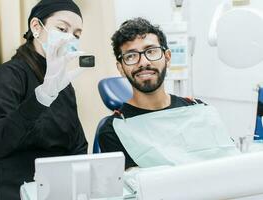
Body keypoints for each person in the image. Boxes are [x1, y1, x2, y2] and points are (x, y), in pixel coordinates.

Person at [98, 17, 239, 170]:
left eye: (151, 51)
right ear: (121, 68)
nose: (143, 62)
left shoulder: (198, 110)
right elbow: (135, 187)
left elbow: (231, 163)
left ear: (167, 58)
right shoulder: (114, 130)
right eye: (131, 56)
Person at [0, 0, 88, 199]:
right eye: (62, 28)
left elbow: (78, 144)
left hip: (60, 186)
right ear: (36, 27)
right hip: (15, 184)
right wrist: (42, 97)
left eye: (76, 34)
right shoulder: (8, 75)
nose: (69, 38)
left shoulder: (63, 84)